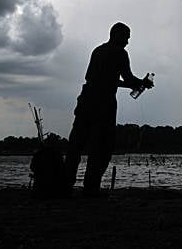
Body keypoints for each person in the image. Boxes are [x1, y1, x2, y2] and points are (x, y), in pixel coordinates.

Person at [64, 22, 154, 196]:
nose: (128, 41)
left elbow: (94, 77)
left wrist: (130, 84)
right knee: (101, 147)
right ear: (117, 35)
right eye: (126, 37)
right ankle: (91, 187)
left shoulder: (97, 51)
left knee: (76, 144)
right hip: (103, 104)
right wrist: (141, 83)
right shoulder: (120, 53)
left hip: (85, 100)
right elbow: (126, 78)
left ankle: (66, 184)